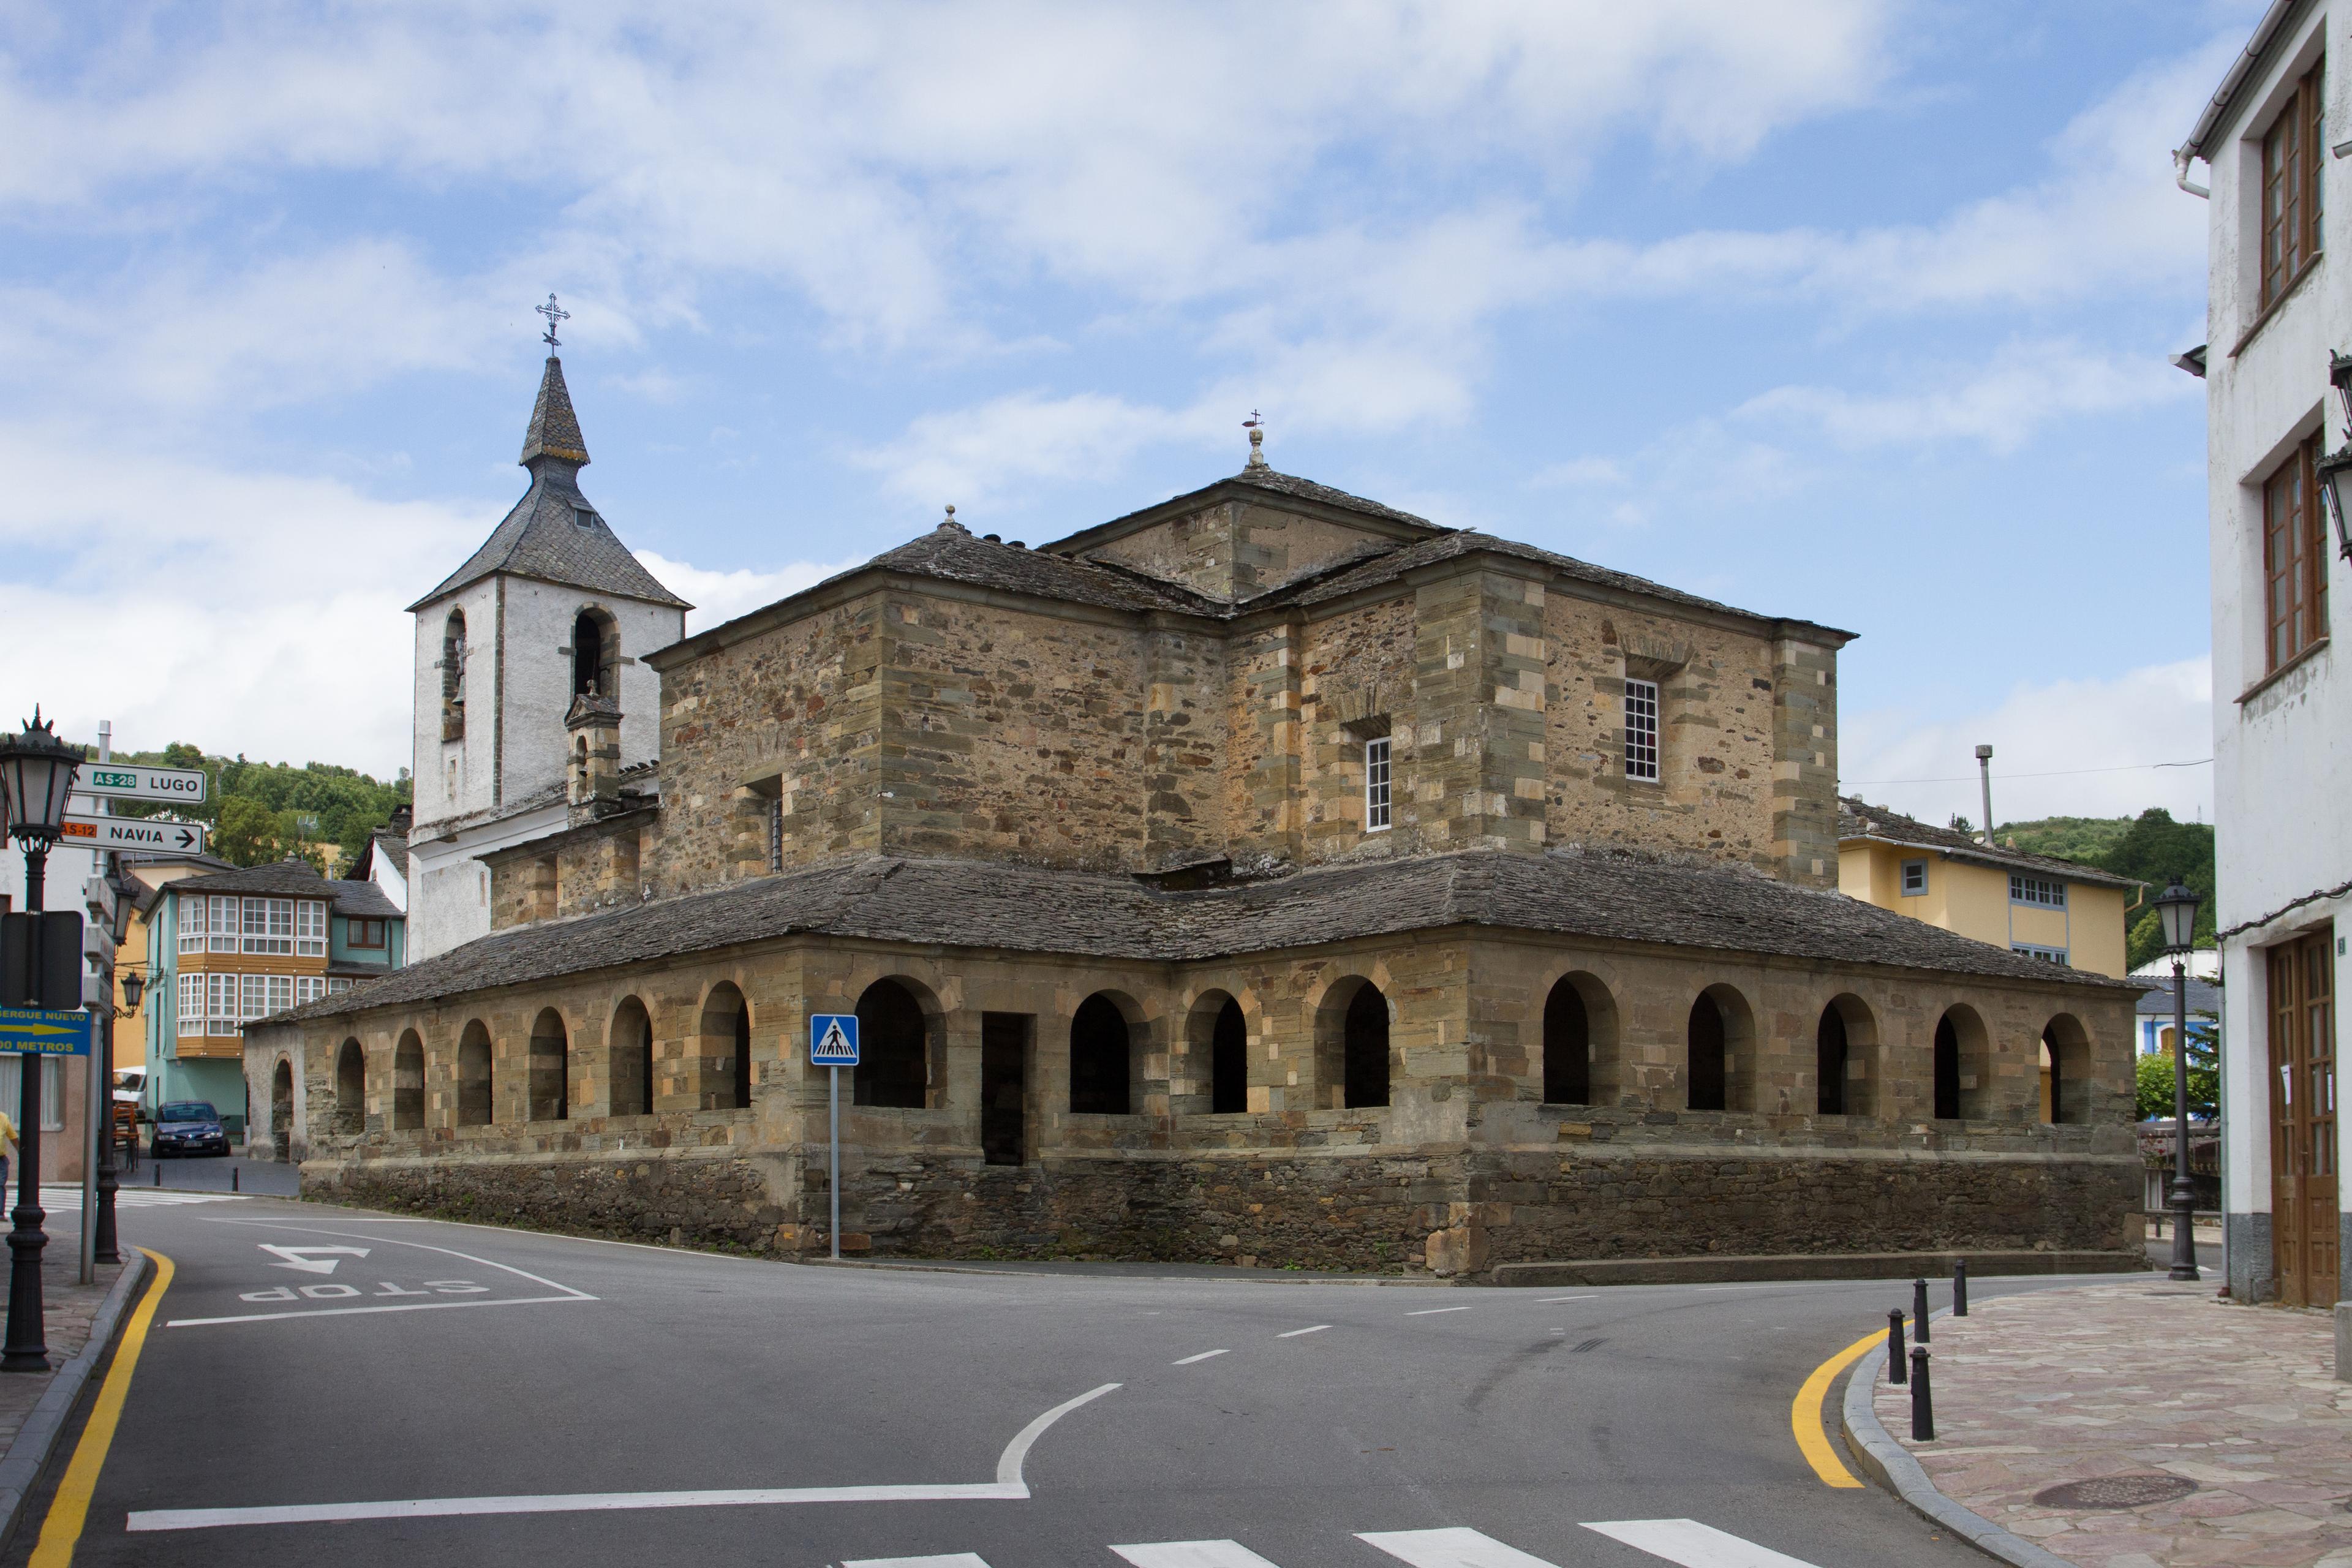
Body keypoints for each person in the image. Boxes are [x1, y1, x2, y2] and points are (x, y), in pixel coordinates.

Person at [0, 1106, 16, 1196]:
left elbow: (13, 1137)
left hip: (1, 1159)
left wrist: (22, 1153)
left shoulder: (3, 1118)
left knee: (0, 1185)